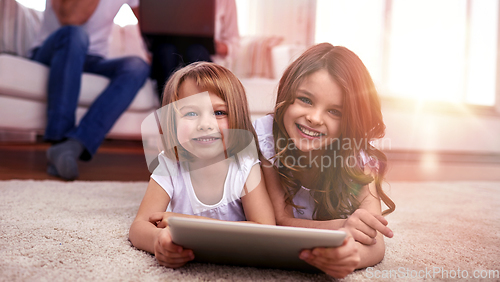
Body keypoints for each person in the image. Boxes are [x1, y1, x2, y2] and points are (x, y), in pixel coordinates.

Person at [253, 43, 396, 278]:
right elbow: (279, 220)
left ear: (350, 121)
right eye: (305, 100)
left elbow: (376, 244)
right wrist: (342, 227)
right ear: (287, 94)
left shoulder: (359, 160)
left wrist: (350, 255)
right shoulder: (268, 140)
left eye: (335, 112)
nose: (314, 118)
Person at [129, 62, 275, 268]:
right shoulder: (170, 164)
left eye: (219, 113)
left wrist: (189, 223)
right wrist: (157, 242)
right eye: (190, 114)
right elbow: (138, 227)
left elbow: (266, 229)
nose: (205, 125)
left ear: (238, 118)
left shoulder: (246, 166)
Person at [29, 0, 150, 180]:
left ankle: (71, 146)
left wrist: (148, 51)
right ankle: (59, 138)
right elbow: (70, 18)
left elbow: (143, 23)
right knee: (76, 35)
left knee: (137, 66)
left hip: (93, 58)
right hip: (56, 49)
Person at [142, 0, 239, 98]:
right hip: (165, 54)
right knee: (167, 52)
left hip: (199, 53)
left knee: (196, 52)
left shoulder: (226, 2)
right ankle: (169, 110)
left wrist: (217, 46)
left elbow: (234, 44)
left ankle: (197, 108)